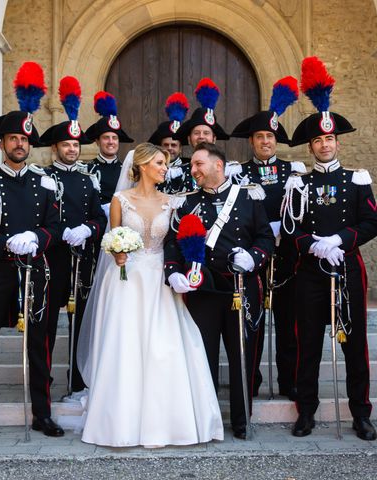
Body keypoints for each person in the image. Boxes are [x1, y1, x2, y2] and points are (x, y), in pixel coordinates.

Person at [77, 143, 224, 447]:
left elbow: (175, 241)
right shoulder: (120, 200)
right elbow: (112, 237)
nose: (164, 168)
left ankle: (169, 421)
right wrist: (116, 252)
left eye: (165, 164)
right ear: (142, 165)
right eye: (159, 162)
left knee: (164, 346)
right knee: (125, 345)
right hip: (126, 280)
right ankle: (120, 422)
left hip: (160, 278)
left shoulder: (173, 202)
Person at [0, 62, 64, 447]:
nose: (19, 144)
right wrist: (3, 243)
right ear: (2, 144)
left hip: (36, 271)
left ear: (30, 144)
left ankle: (43, 414)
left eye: (24, 139)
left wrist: (37, 238)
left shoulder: (45, 183)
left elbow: (55, 227)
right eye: (12, 139)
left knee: (39, 344)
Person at [281, 57, 377, 440]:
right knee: (308, 344)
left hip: (347, 271)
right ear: (311, 145)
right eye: (318, 139)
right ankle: (306, 411)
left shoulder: (357, 180)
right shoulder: (298, 183)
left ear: (337, 142)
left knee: (355, 345)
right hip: (310, 274)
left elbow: (371, 223)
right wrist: (314, 246)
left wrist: (340, 240)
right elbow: (291, 229)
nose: (325, 144)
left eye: (330, 139)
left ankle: (361, 413)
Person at [164, 142, 274, 440]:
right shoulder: (185, 202)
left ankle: (242, 419)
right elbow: (172, 243)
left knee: (244, 354)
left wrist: (253, 257)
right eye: (192, 166)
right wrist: (173, 272)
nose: (193, 170)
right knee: (203, 355)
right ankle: (207, 417)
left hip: (241, 287)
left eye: (199, 164)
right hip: (203, 290)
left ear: (218, 165)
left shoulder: (248, 197)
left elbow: (266, 237)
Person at [230, 76, 306, 399]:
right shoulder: (239, 174)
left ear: (277, 141)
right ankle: (252, 380)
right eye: (260, 137)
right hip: (253, 259)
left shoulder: (294, 172)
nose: (265, 142)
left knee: (289, 324)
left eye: (270, 137)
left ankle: (289, 381)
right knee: (253, 324)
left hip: (287, 258)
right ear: (251, 141)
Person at [39, 76, 107, 394]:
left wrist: (88, 230)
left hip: (82, 262)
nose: (72, 149)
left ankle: (77, 379)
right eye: (66, 145)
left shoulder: (87, 180)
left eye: (76, 145)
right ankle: (42, 380)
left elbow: (99, 219)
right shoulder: (43, 177)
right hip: (52, 261)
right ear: (55, 148)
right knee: (47, 324)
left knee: (82, 323)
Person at [85, 91, 134, 212]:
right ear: (97, 141)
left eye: (115, 138)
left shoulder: (128, 169)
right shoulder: (87, 169)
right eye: (106, 137)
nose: (111, 142)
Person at [148, 92, 190, 194]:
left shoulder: (190, 168)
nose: (170, 148)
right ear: (160, 147)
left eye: (174, 145)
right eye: (166, 145)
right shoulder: (151, 168)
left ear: (180, 148)